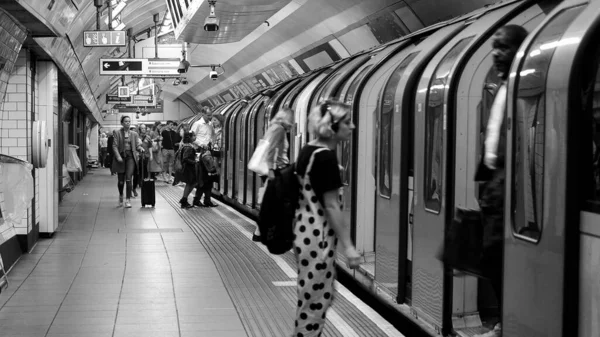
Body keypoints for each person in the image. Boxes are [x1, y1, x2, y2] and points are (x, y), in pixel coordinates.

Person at [473, 25, 528, 337]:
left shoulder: (525, 88)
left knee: (496, 255)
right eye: (495, 46)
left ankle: (509, 323)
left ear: (521, 50)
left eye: (504, 47)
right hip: (496, 186)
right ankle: (507, 321)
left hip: (513, 189)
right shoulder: (502, 86)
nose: (496, 53)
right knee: (492, 256)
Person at [292, 100, 361, 336]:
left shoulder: (309, 150)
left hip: (304, 229)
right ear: (331, 126)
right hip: (318, 234)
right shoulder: (326, 158)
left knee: (319, 293)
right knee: (314, 302)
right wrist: (349, 247)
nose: (352, 126)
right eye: (347, 122)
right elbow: (332, 206)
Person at [251, 107, 294, 242]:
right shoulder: (279, 129)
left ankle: (260, 233)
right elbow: (271, 150)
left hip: (275, 169)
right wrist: (271, 170)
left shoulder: (273, 128)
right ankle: (264, 233)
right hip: (276, 170)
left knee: (272, 202)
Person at [112, 116, 145, 208]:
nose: (128, 123)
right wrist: (118, 156)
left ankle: (128, 200)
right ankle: (121, 195)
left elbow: (137, 145)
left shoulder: (134, 134)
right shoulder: (117, 133)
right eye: (126, 121)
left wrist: (140, 148)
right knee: (121, 181)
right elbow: (114, 146)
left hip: (130, 157)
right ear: (122, 123)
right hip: (121, 158)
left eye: (129, 121)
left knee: (129, 178)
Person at [179, 131, 198, 209]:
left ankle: (184, 199)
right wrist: (195, 162)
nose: (195, 137)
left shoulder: (188, 146)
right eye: (193, 136)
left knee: (192, 183)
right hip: (188, 168)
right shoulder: (188, 147)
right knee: (190, 183)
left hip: (188, 167)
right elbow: (185, 158)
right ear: (189, 137)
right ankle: (184, 200)